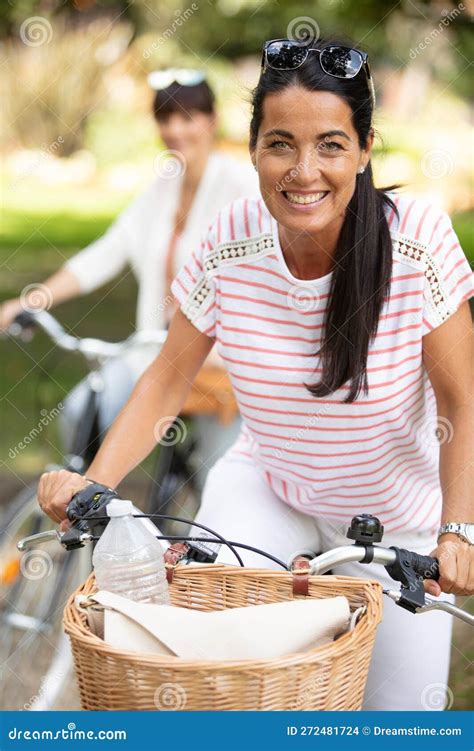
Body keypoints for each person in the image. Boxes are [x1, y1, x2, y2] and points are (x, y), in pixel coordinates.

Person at [37, 39, 473, 710]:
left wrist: (458, 530)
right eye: (280, 144)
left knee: (404, 721)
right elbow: (167, 378)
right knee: (220, 680)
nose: (304, 171)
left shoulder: (416, 240)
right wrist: (94, 483)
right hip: (270, 491)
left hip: (399, 518)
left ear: (364, 148)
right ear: (253, 150)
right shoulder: (228, 240)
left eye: (330, 144)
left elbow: (461, 399)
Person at [1, 69, 259, 487]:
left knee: (224, 485)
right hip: (154, 353)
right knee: (81, 413)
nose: (175, 130)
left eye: (187, 117)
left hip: (224, 366)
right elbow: (108, 250)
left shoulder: (242, 187)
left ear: (211, 121)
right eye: (165, 118)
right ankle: (100, 520)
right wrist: (34, 300)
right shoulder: (162, 187)